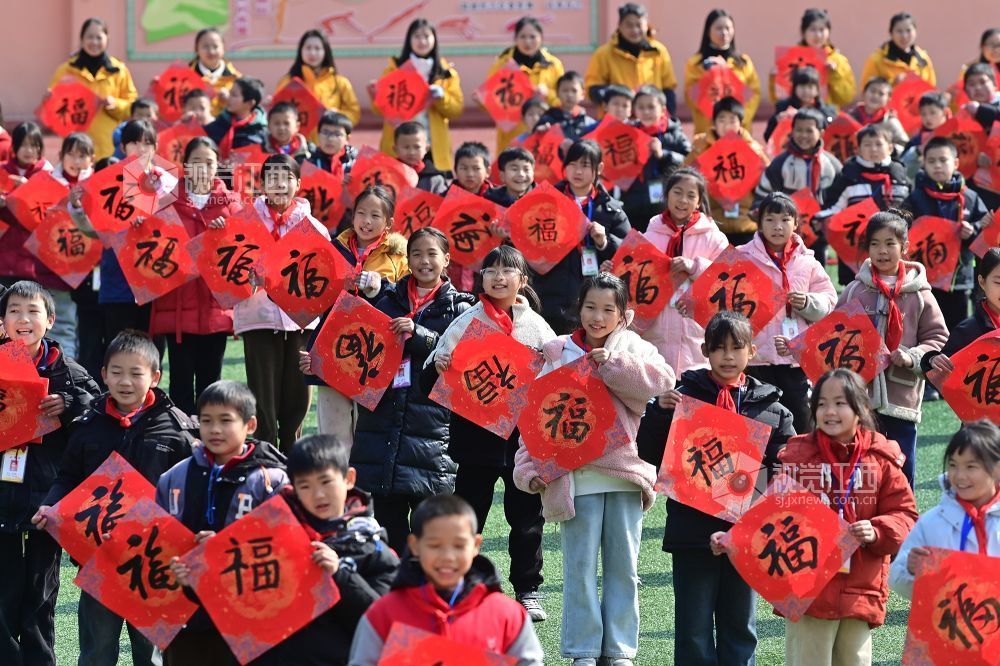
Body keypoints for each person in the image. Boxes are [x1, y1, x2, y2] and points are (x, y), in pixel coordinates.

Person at [514, 273, 674, 666]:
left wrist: (613, 364)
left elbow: (663, 384)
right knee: (579, 567)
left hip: (624, 474)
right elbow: (532, 417)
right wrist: (527, 469)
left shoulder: (635, 348)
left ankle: (619, 650)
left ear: (624, 315)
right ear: (578, 309)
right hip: (574, 478)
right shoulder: (557, 353)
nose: (597, 317)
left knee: (625, 567)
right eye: (590, 308)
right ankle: (584, 650)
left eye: (608, 310)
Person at [33, 330, 193, 666]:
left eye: (136, 373)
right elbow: (67, 477)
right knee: (97, 651)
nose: (125, 381)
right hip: (99, 558)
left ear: (155, 377)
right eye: (117, 372)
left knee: (149, 655)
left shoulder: (175, 430)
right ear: (103, 374)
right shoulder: (88, 425)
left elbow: (189, 490)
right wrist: (52, 503)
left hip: (152, 562)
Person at [645, 311, 794, 666]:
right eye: (719, 348)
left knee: (740, 625)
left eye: (736, 348)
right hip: (692, 531)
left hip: (745, 535)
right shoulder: (682, 399)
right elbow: (648, 452)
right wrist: (659, 414)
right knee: (693, 629)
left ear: (752, 351)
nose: (728, 356)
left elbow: (784, 471)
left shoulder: (774, 410)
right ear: (704, 350)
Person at [420, 246, 556, 622]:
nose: (498, 277)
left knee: (527, 517)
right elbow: (426, 380)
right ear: (480, 278)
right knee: (468, 516)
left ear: (522, 281)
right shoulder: (466, 322)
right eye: (491, 270)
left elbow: (555, 378)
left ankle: (527, 590)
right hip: (475, 439)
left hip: (521, 442)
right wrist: (440, 365)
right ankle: (461, 584)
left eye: (507, 271)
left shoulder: (537, 327)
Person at [767, 369, 917, 666]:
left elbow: (905, 515)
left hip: (861, 586)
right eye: (821, 404)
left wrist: (877, 530)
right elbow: (772, 513)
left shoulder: (881, 460)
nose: (829, 411)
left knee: (855, 660)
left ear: (860, 409)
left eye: (839, 403)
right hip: (808, 589)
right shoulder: (798, 458)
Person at [347, 228, 474, 554]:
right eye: (416, 253)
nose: (424, 261)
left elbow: (463, 362)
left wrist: (420, 336)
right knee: (388, 529)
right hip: (380, 424)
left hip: (431, 430)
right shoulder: (386, 300)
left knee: (428, 528)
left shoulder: (462, 309)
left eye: (432, 254)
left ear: (446, 259)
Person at [0, 281, 99, 666]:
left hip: (47, 497)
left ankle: (41, 661)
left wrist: (70, 405)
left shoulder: (67, 371)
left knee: (42, 591)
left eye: (32, 311)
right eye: (13, 311)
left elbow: (96, 420)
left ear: (51, 320)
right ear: (3, 321)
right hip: (3, 496)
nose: (23, 319)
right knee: (4, 589)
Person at [159, 380, 288, 665]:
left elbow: (286, 546)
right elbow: (157, 538)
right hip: (186, 612)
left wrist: (225, 547)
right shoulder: (173, 477)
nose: (215, 429)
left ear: (250, 425)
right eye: (206, 421)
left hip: (246, 612)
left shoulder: (272, 480)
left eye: (225, 420)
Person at [348, 494, 544, 665]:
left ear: (476, 545)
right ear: (415, 546)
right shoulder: (385, 613)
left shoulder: (506, 615)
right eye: (435, 545)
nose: (448, 556)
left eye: (458, 545)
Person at [256, 434, 400, 666]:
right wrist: (206, 566)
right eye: (305, 485)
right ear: (293, 488)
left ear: (349, 479)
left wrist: (340, 573)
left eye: (326, 482)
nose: (318, 495)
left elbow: (383, 620)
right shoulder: (269, 538)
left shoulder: (372, 546)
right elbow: (237, 601)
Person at [835, 211, 948, 487]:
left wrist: (911, 357)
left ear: (905, 247)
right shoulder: (855, 291)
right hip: (860, 395)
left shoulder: (920, 295)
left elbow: (937, 338)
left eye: (889, 243)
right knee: (859, 467)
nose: (882, 251)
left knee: (901, 467)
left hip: (902, 398)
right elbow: (834, 333)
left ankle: (902, 523)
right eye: (874, 244)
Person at [234, 154, 329, 451]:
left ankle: (291, 456)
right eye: (271, 178)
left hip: (301, 322)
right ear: (262, 184)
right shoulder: (244, 221)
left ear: (298, 184)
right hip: (258, 318)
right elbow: (228, 269)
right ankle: (263, 456)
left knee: (297, 398)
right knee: (262, 399)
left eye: (285, 178)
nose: (279, 185)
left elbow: (324, 277)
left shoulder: (315, 228)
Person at [302, 186, 408, 448]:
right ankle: (336, 485)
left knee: (368, 432)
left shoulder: (399, 257)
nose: (367, 221)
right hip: (332, 348)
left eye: (375, 215)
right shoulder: (332, 250)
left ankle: (362, 487)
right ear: (352, 216)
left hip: (373, 353)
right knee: (332, 429)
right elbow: (304, 291)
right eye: (361, 213)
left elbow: (406, 302)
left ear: (389, 222)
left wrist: (380, 286)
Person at [150, 136, 241, 416]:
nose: (203, 168)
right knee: (178, 383)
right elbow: (152, 250)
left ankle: (209, 442)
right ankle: (182, 444)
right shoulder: (167, 203)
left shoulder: (232, 204)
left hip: (215, 308)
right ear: (186, 165)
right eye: (196, 162)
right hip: (177, 307)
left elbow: (244, 249)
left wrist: (225, 233)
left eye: (209, 162)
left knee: (210, 384)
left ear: (218, 166)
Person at [743, 193, 837, 433]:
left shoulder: (808, 261)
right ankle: (766, 472)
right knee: (758, 425)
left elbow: (829, 302)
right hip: (755, 357)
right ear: (759, 222)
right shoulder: (742, 257)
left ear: (796, 223)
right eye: (770, 220)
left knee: (800, 422)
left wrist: (808, 303)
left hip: (796, 358)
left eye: (785, 220)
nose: (777, 227)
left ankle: (799, 470)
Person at [629, 167, 729, 376]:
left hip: (695, 333)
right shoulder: (651, 233)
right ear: (667, 195)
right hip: (656, 329)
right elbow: (634, 277)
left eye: (690, 195)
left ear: (699, 201)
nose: (683, 200)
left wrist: (694, 266)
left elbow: (728, 278)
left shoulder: (713, 237)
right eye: (677, 192)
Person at [890, 420, 1000, 600]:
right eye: (953, 465)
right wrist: (909, 569)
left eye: (971, 466)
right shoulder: (933, 521)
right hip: (947, 624)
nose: (959, 476)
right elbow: (896, 580)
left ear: (997, 469)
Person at [0, 122, 79, 358]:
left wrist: (26, 193)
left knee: (37, 321)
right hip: (5, 259)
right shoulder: (3, 170)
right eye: (23, 145)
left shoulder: (49, 176)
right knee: (7, 322)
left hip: (36, 264)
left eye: (33, 146)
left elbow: (56, 218)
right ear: (14, 147)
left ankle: (50, 367)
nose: (28, 151)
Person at [540, 139, 630, 334]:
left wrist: (604, 242)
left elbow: (629, 253)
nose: (577, 171)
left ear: (599, 168)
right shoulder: (544, 202)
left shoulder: (611, 210)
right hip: (550, 294)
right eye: (572, 165)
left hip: (593, 303)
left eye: (584, 165)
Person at [902, 137, 989, 333]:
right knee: (925, 327)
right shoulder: (916, 197)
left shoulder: (970, 197)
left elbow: (986, 229)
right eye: (931, 161)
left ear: (956, 163)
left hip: (959, 278)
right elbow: (901, 226)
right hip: (924, 278)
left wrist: (972, 230)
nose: (937, 166)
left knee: (957, 327)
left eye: (943, 160)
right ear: (923, 164)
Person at [818, 124, 910, 286]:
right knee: (858, 296)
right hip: (858, 248)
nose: (873, 149)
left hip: (892, 248)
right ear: (858, 149)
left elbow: (910, 212)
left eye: (878, 144)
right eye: (867, 145)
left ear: (889, 148)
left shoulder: (900, 177)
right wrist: (820, 219)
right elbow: (833, 210)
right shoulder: (848, 177)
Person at [371, 19, 463, 173]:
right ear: (409, 40)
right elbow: (379, 110)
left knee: (433, 193)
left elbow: (456, 110)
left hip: (433, 147)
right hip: (399, 146)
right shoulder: (394, 70)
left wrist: (442, 98)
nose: (422, 41)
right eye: (417, 36)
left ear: (434, 39)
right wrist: (375, 95)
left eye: (426, 36)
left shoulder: (446, 73)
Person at [683, 97, 769, 245]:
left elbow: (768, 185)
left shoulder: (753, 149)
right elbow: (684, 176)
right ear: (714, 123)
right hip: (711, 224)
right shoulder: (701, 146)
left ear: (741, 123)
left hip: (746, 225)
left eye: (732, 120)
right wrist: (700, 151)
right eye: (721, 120)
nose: (726, 126)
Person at [48, 18, 137, 159]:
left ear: (107, 39)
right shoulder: (67, 70)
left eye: (98, 37)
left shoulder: (119, 70)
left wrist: (115, 104)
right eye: (89, 37)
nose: (94, 42)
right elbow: (54, 109)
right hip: (76, 149)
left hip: (110, 147)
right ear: (81, 39)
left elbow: (133, 106)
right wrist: (50, 101)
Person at [481, 16, 564, 150]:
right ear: (515, 38)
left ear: (541, 38)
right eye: (523, 37)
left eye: (532, 37)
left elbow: (563, 100)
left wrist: (548, 94)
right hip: (512, 135)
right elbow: (491, 99)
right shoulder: (503, 64)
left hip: (545, 133)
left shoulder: (554, 65)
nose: (527, 42)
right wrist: (482, 99)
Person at [586, 3, 678, 117]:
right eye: (629, 25)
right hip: (616, 122)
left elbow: (668, 89)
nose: (634, 30)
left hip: (650, 120)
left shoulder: (659, 51)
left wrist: (671, 119)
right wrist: (620, 97)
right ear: (619, 26)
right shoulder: (603, 54)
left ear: (646, 25)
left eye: (639, 25)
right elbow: (593, 90)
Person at [621, 85, 690, 233]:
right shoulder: (627, 135)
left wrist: (663, 154)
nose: (646, 112)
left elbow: (689, 161)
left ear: (663, 109)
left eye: (651, 107)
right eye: (641, 107)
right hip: (632, 203)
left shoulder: (674, 134)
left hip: (665, 204)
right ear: (634, 110)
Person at [922, 248, 1000, 375]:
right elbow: (940, 376)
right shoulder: (968, 331)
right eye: (998, 282)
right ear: (982, 282)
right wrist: (931, 361)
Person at [683, 9, 761, 134]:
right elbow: (691, 96)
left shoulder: (743, 62)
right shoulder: (695, 63)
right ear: (708, 31)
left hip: (738, 131)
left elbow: (754, 93)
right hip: (707, 131)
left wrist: (739, 118)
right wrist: (712, 74)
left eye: (728, 28)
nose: (724, 33)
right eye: (718, 28)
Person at [768, 9, 855, 108]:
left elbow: (846, 97)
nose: (818, 35)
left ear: (828, 32)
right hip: (797, 116)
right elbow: (778, 99)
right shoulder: (790, 59)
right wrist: (774, 78)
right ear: (803, 32)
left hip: (826, 116)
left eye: (822, 30)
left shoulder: (838, 60)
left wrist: (834, 74)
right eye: (812, 29)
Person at [277, 30, 361, 128]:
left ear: (325, 51)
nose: (312, 53)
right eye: (308, 48)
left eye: (317, 48)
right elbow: (278, 113)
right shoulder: (289, 82)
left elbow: (354, 113)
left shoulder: (340, 83)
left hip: (330, 139)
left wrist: (337, 115)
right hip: (300, 141)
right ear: (301, 51)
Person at [447, 141, 493, 292]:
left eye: (476, 168)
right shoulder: (444, 199)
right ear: (455, 170)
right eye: (464, 168)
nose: (470, 174)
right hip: (452, 269)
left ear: (488, 171)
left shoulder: (497, 201)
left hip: (486, 272)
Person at [762, 65, 836, 145]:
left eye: (810, 87)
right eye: (802, 87)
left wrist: (820, 119)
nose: (806, 91)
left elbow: (832, 126)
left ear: (817, 90)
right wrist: (777, 120)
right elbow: (768, 137)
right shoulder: (783, 107)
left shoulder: (826, 110)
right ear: (794, 89)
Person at [860, 12, 936, 88]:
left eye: (908, 30)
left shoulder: (923, 59)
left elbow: (931, 90)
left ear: (915, 32)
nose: (904, 36)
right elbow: (867, 90)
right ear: (891, 33)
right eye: (899, 31)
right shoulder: (877, 59)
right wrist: (893, 83)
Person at [203, 77, 268, 158]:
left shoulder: (260, 131)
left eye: (234, 95)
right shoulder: (219, 123)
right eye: (230, 93)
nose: (229, 98)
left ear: (250, 103)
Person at [846, 78, 908, 153]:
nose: (875, 96)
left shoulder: (890, 122)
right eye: (872, 91)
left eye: (881, 94)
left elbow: (904, 144)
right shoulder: (849, 117)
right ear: (863, 94)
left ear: (888, 99)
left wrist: (889, 149)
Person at [189, 28, 241, 117]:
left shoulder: (237, 79)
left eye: (215, 46)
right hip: (194, 129)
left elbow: (244, 110)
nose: (211, 51)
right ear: (196, 49)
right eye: (205, 46)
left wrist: (230, 99)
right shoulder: (185, 77)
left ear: (223, 48)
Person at [533, 71, 597, 143]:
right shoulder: (548, 119)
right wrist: (539, 133)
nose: (569, 94)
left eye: (574, 91)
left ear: (583, 94)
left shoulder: (588, 123)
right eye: (565, 90)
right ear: (557, 93)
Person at [393, 122, 448, 195]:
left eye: (417, 147)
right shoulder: (386, 175)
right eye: (406, 147)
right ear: (395, 149)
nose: (411, 152)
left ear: (426, 148)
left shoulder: (434, 179)